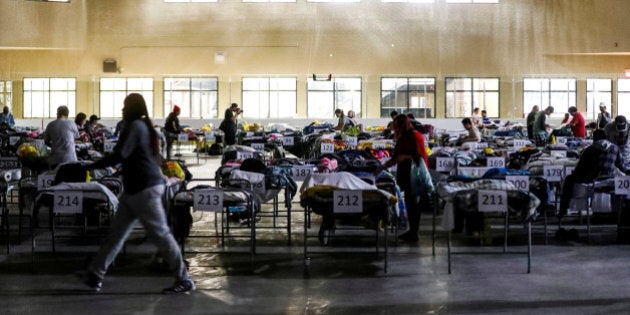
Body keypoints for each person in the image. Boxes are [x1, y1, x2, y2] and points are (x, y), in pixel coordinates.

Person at [79, 93, 194, 294]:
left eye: (125, 106)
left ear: (133, 108)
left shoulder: (135, 127)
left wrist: (90, 167)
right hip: (134, 189)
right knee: (116, 235)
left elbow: (119, 155)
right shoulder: (142, 127)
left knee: (161, 235)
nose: (122, 109)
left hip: (145, 189)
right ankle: (95, 274)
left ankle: (184, 279)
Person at [373, 114, 429, 243]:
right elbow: (396, 158)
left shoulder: (415, 136)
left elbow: (420, 157)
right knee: (410, 202)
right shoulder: (403, 137)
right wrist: (382, 167)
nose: (395, 129)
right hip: (405, 172)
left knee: (414, 204)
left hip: (415, 174)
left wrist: (405, 157)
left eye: (397, 126)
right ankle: (412, 231)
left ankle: (414, 232)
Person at [559, 129, 624, 217]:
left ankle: (563, 209)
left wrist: (575, 173)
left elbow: (580, 167)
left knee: (569, 179)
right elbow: (621, 166)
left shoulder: (590, 149)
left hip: (592, 178)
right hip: (608, 177)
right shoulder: (615, 148)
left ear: (594, 138)